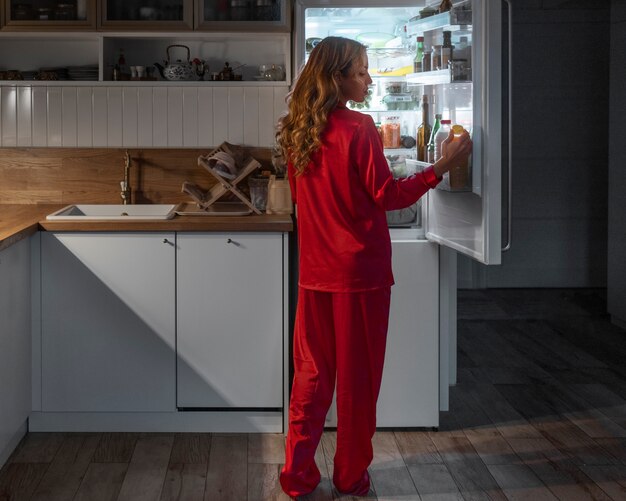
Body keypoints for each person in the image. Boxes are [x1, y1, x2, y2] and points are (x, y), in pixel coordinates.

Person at [276, 36, 472, 498]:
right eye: (361, 72)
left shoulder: (296, 128)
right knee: (357, 384)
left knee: (311, 377)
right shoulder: (360, 128)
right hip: (360, 276)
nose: (368, 79)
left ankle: (296, 475)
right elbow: (388, 196)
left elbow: (305, 199)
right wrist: (441, 165)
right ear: (337, 77)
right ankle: (349, 476)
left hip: (314, 274)